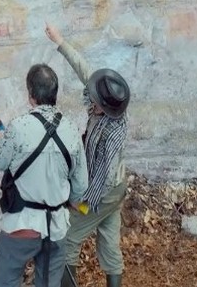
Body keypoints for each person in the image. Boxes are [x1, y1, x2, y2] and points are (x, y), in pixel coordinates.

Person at [45, 22, 131, 287]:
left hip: (106, 193)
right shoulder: (107, 104)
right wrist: (60, 42)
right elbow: (85, 71)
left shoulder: (111, 136)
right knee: (108, 241)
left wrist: (78, 202)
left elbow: (102, 181)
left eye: (94, 100)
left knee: (69, 235)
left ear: (104, 107)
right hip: (116, 190)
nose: (90, 99)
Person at [0, 63, 89, 287]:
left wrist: (0, 140)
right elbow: (81, 187)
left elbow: (0, 162)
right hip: (56, 228)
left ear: (31, 95)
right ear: (55, 94)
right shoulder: (72, 130)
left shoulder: (17, 128)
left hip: (22, 224)